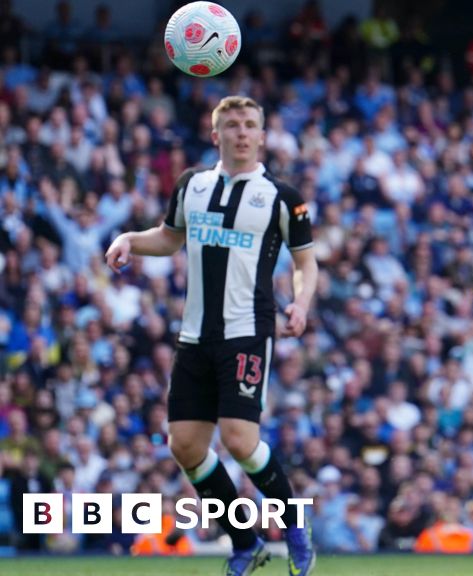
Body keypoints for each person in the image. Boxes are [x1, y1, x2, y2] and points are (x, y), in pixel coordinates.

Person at [105, 96, 318, 576]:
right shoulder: (192, 186)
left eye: (250, 125)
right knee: (184, 446)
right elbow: (168, 237)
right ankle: (246, 542)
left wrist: (301, 304)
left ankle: (294, 523)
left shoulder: (282, 197)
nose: (241, 132)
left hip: (248, 330)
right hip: (195, 335)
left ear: (262, 136)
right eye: (232, 125)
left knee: (241, 440)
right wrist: (128, 241)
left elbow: (306, 260)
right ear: (214, 133)